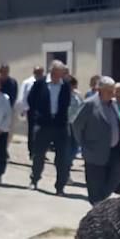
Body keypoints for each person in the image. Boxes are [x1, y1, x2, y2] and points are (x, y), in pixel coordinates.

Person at [71, 77, 120, 205]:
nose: (112, 93)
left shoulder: (112, 104)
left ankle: (99, 202)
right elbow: (77, 125)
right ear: (99, 90)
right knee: (95, 184)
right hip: (94, 152)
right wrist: (83, 144)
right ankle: (96, 207)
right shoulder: (90, 104)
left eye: (113, 90)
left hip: (114, 151)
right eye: (109, 90)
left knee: (115, 179)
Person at [29, 60, 76, 195]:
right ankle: (34, 179)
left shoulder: (65, 85)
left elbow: (67, 103)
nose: (59, 76)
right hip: (43, 124)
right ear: (52, 71)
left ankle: (60, 186)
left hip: (60, 125)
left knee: (62, 157)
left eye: (62, 73)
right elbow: (31, 100)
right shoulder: (40, 83)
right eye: (57, 73)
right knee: (39, 155)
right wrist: (38, 116)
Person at [19, 65, 46, 160]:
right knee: (32, 131)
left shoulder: (45, 82)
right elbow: (23, 96)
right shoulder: (27, 82)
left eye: (41, 72)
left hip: (42, 110)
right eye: (37, 72)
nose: (39, 74)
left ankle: (41, 152)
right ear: (34, 72)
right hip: (31, 110)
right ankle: (31, 151)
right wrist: (24, 109)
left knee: (43, 131)